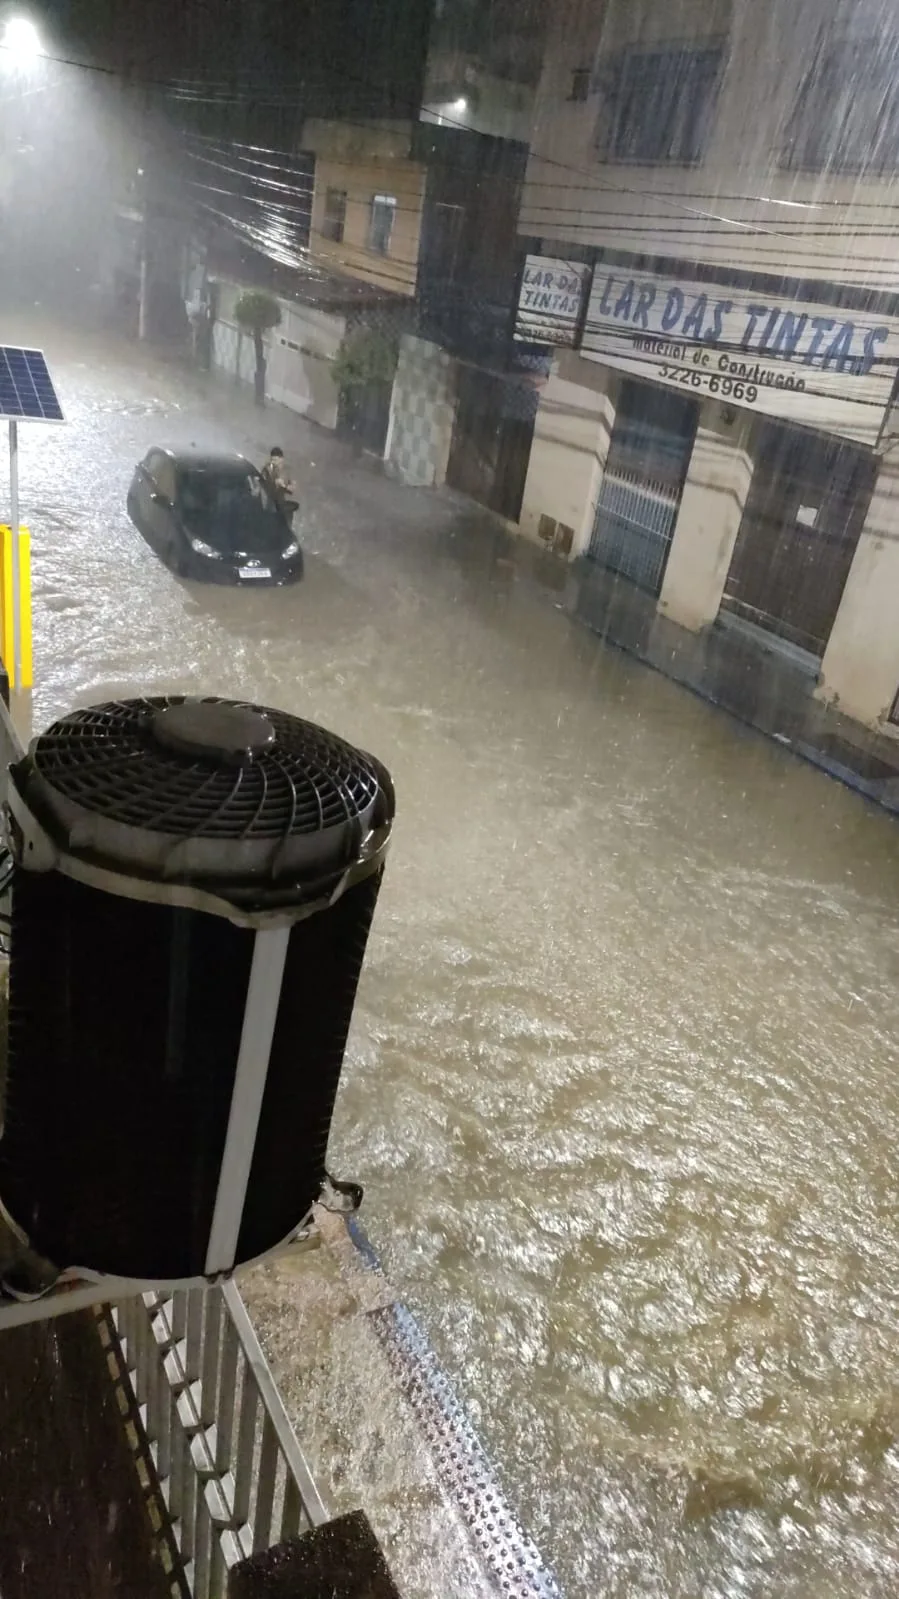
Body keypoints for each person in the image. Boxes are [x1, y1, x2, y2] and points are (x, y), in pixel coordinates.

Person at [260, 446, 297, 518]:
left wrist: (283, 485)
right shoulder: (267, 468)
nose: (273, 462)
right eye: (272, 460)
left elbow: (293, 488)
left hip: (281, 504)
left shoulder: (288, 471)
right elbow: (262, 482)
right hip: (268, 502)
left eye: (275, 460)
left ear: (281, 459)